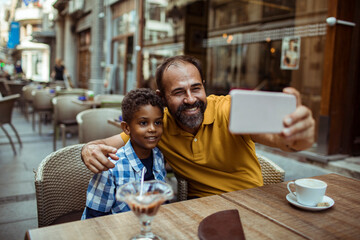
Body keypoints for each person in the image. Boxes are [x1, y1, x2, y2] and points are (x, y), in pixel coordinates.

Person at [81, 55, 315, 198]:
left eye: (195, 88)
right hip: (201, 211)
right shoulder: (158, 126)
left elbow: (283, 141)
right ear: (162, 97)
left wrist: (298, 136)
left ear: (204, 86)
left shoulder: (230, 109)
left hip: (250, 202)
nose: (191, 99)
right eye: (179, 92)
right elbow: (102, 145)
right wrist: (88, 150)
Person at [81, 88, 166, 219]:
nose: (152, 129)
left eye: (158, 122)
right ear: (126, 128)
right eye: (143, 123)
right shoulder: (111, 167)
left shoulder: (158, 156)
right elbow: (95, 218)